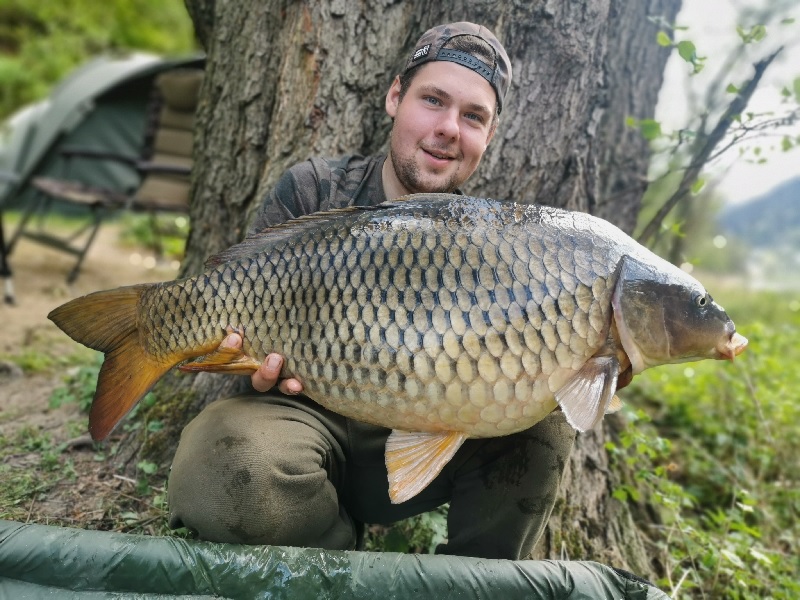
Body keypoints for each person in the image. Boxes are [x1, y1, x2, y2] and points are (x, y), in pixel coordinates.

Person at [167, 21, 576, 560]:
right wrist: (245, 362)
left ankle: (476, 583)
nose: (449, 128)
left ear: (489, 136)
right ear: (394, 97)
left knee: (547, 424)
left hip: (434, 431)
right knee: (218, 461)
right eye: (433, 100)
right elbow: (244, 332)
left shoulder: (501, 246)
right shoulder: (313, 190)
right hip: (311, 429)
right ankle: (335, 561)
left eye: (473, 116)